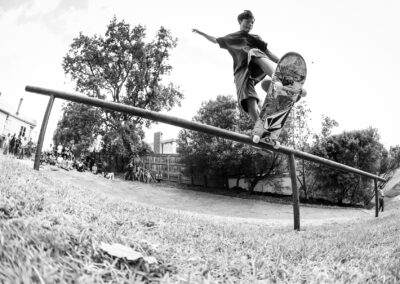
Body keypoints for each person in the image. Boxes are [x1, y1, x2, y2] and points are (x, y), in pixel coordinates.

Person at [193, 10, 303, 138]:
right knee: (247, 99)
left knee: (253, 52)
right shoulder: (231, 38)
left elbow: (269, 54)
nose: (249, 25)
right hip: (241, 71)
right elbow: (215, 40)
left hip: (257, 64)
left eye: (252, 23)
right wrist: (202, 33)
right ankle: (261, 128)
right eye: (247, 22)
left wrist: (285, 65)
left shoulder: (255, 38)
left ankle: (280, 79)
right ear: (240, 21)